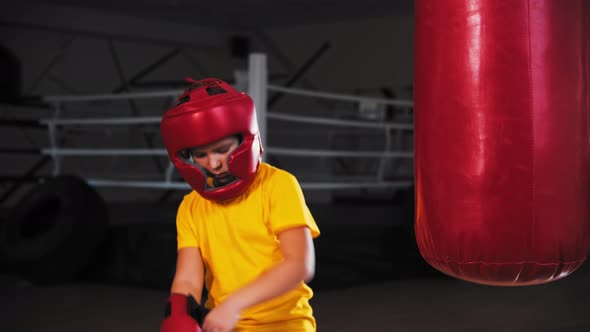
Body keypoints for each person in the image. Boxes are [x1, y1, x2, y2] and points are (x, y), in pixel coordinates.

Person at [159, 77, 321, 332]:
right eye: (201, 155)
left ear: (244, 138)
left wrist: (234, 305)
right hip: (224, 326)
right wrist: (179, 314)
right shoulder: (191, 207)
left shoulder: (278, 185)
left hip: (285, 325)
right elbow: (188, 278)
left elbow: (299, 264)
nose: (213, 164)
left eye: (222, 149)